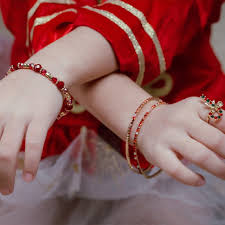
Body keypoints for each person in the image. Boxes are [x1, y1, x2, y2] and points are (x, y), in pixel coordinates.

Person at [0, 0, 225, 224]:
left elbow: (163, 12)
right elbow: (43, 23)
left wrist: (44, 70)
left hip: (175, 126)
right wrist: (143, 116)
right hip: (51, 137)